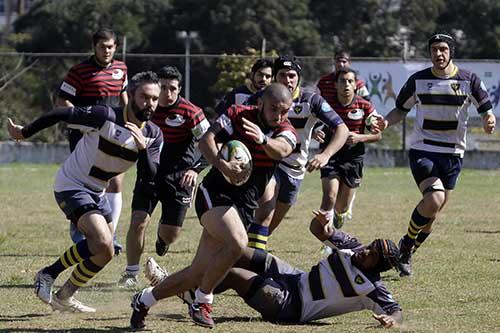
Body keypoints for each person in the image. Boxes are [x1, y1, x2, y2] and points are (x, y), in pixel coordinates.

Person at [129, 83, 298, 329]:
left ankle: (143, 300)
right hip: (214, 194)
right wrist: (222, 164)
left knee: (197, 273)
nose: (280, 116)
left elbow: (281, 150)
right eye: (274, 110)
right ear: (260, 103)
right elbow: (206, 140)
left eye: (285, 111)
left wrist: (262, 138)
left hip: (243, 205)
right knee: (238, 244)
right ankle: (202, 301)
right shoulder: (238, 113)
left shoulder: (286, 129)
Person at [7, 71, 163, 312]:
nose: (150, 103)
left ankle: (65, 295)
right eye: (144, 97)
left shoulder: (153, 135)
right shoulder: (105, 115)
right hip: (71, 184)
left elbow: (150, 176)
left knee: (106, 251)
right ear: (130, 95)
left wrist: (142, 149)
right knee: (101, 240)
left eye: (154, 98)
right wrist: (24, 132)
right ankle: (47, 275)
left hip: (97, 193)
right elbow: (61, 113)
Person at [136, 211, 403, 329]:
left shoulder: (371, 288)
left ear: (376, 266)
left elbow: (395, 311)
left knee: (230, 273)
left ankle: (185, 293)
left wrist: (392, 320)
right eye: (371, 246)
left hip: (292, 306)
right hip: (294, 277)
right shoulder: (351, 247)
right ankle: (183, 284)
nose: (365, 251)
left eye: (372, 255)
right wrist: (320, 223)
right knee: (235, 252)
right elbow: (317, 231)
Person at [371, 33, 496, 277]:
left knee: (432, 213)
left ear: (451, 52)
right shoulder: (418, 80)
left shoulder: (468, 80)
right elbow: (399, 110)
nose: (438, 54)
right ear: (429, 53)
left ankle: (407, 252)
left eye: (443, 49)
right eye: (434, 50)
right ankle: (406, 244)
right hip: (424, 149)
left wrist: (489, 120)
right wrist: (386, 123)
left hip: (453, 154)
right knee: (434, 199)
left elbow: (486, 109)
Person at [119, 66, 210, 287]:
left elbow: (210, 145)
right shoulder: (145, 109)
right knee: (138, 221)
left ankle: (162, 240)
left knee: (170, 234)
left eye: (172, 89)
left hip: (180, 179)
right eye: (163, 88)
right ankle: (131, 273)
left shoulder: (192, 112)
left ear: (179, 89)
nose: (167, 94)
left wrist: (195, 170)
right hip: (149, 174)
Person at [249, 55, 349, 249]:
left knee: (267, 228)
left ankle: (242, 253)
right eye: (283, 75)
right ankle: (251, 265)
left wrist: (324, 155)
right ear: (275, 77)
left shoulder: (311, 100)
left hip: (295, 170)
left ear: (299, 77)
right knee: (265, 210)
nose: (288, 80)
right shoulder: (261, 99)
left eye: (292, 75)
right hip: (269, 163)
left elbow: (342, 129)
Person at [57, 28, 128, 254]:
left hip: (113, 135)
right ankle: (80, 232)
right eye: (102, 46)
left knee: (115, 182)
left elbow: (124, 100)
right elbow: (62, 100)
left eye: (110, 46)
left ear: (116, 47)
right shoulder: (79, 71)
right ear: (94, 47)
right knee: (85, 183)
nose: (107, 51)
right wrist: (82, 122)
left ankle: (109, 235)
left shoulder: (121, 69)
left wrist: (129, 123)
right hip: (84, 136)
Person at [317, 68, 381, 230]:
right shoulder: (326, 106)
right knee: (330, 195)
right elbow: (313, 125)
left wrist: (361, 137)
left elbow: (378, 135)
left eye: (350, 81)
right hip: (330, 155)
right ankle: (327, 237)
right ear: (335, 85)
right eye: (342, 81)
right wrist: (315, 133)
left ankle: (338, 219)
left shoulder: (364, 106)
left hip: (353, 158)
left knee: (342, 207)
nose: (346, 84)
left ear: (355, 85)